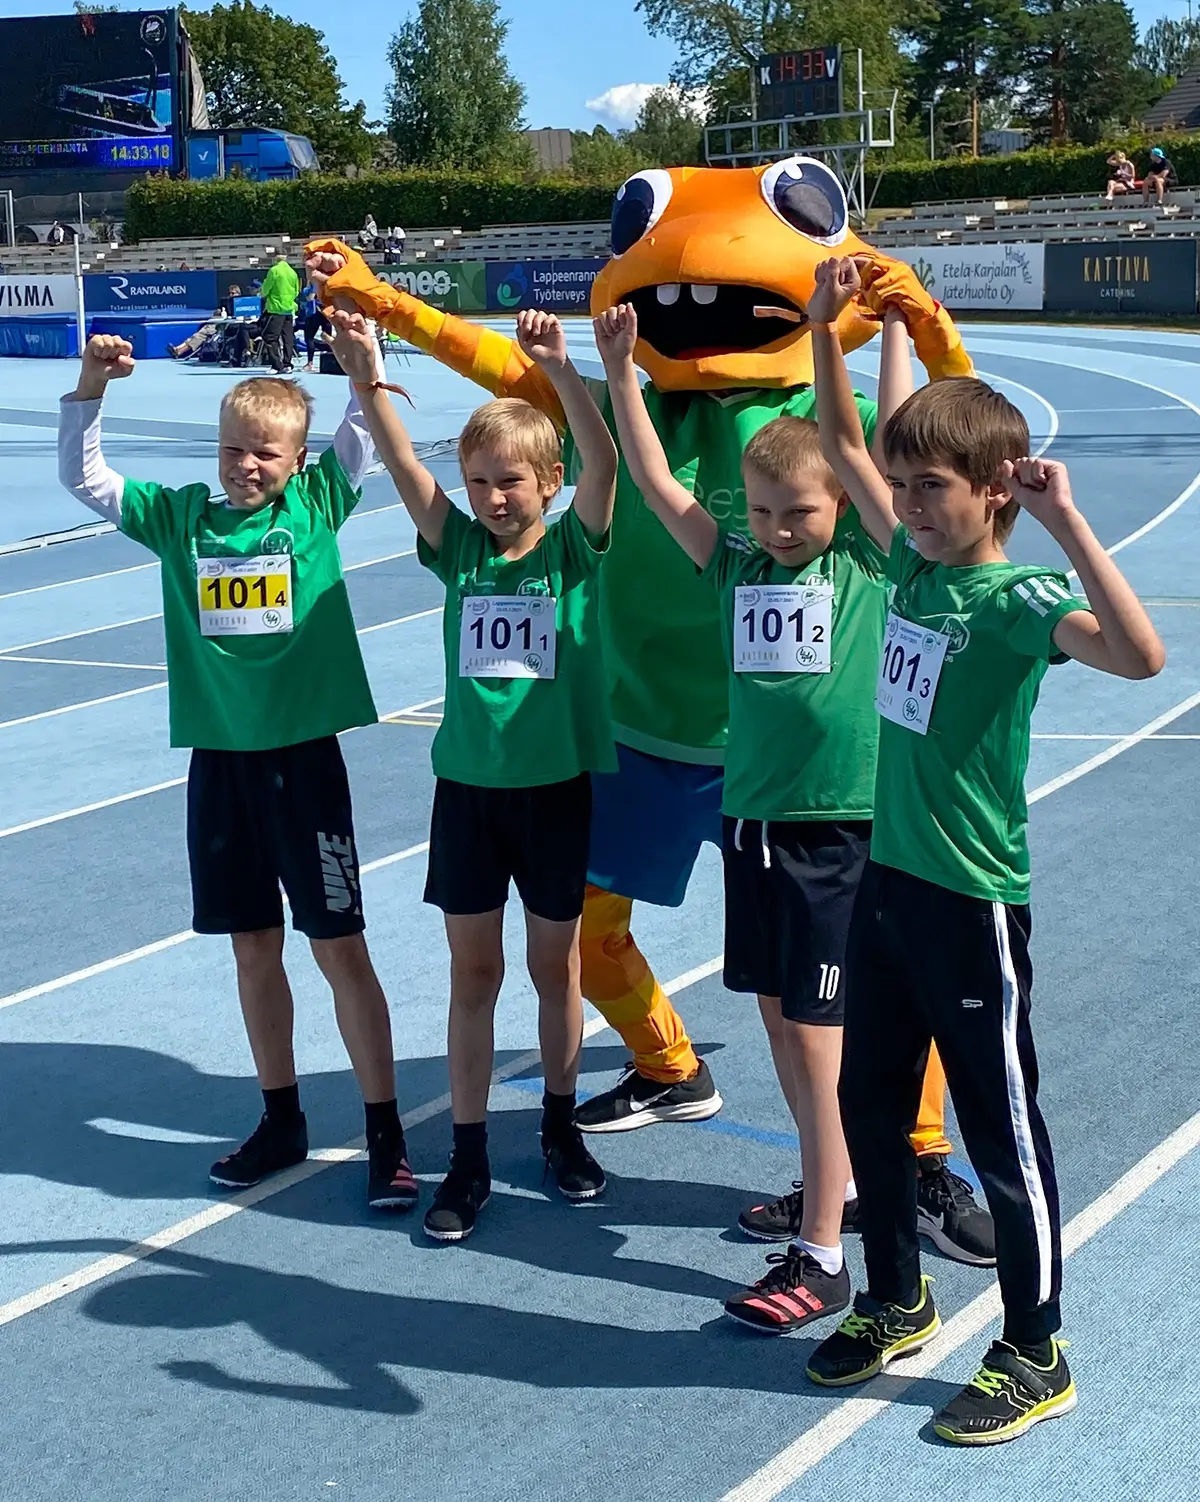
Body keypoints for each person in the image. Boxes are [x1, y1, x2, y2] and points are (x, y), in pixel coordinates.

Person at [303, 160, 997, 1268]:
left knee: (860, 964)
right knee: (587, 925)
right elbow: (501, 364)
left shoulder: (829, 422)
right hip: (648, 725)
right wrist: (390, 307)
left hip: (800, 755)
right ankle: (671, 1063)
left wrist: (919, 318)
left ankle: (910, 1153)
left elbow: (944, 433)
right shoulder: (636, 414)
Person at [804, 258, 1165, 1445]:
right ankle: (897, 1296)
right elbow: (845, 447)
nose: (906, 502)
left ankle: (1035, 1342)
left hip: (969, 900)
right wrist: (824, 333)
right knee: (871, 1107)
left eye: (933, 487)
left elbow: (1141, 657)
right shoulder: (908, 561)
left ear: (996, 492)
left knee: (1001, 1126)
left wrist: (1068, 519)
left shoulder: (1016, 601)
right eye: (905, 485)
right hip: (889, 887)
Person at [593, 281, 911, 1334]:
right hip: (755, 826)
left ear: (840, 511)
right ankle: (843, 1189)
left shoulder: (870, 559)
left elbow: (861, 449)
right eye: (764, 511)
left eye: (799, 512)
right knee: (782, 1023)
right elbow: (648, 478)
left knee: (822, 1040)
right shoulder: (733, 566)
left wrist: (831, 333)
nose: (779, 529)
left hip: (837, 830)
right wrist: (621, 371)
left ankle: (822, 1254)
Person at [56, 323, 419, 1215]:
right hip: (221, 767)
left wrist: (360, 359)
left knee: (339, 948)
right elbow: (86, 477)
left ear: (295, 460)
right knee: (254, 949)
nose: (246, 465)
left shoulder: (321, 503)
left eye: (264, 452)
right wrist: (92, 384)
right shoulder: (181, 517)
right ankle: (280, 1118)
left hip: (304, 764)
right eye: (233, 449)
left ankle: (386, 1137)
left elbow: (362, 431)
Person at [334, 302, 618, 1243]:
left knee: (553, 966)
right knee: (473, 973)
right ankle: (467, 1153)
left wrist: (562, 371)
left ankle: (559, 1126)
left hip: (553, 790)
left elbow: (607, 465)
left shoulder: (573, 550)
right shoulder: (458, 548)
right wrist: (368, 375)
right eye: (481, 481)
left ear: (548, 482)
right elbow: (408, 471)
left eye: (512, 482)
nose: (495, 497)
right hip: (467, 793)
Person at [259, 253, 300, 373]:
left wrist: (263, 294)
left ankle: (276, 365)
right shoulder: (293, 272)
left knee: (270, 337)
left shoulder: (274, 270)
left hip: (275, 309)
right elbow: (296, 291)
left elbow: (266, 289)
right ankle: (287, 364)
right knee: (288, 337)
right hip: (289, 308)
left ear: (275, 260)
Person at [301, 279, 332, 373]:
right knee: (328, 337)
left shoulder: (315, 283)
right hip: (327, 312)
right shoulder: (328, 282)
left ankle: (310, 363)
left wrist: (309, 295)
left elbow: (310, 297)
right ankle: (331, 361)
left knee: (309, 338)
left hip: (315, 313)